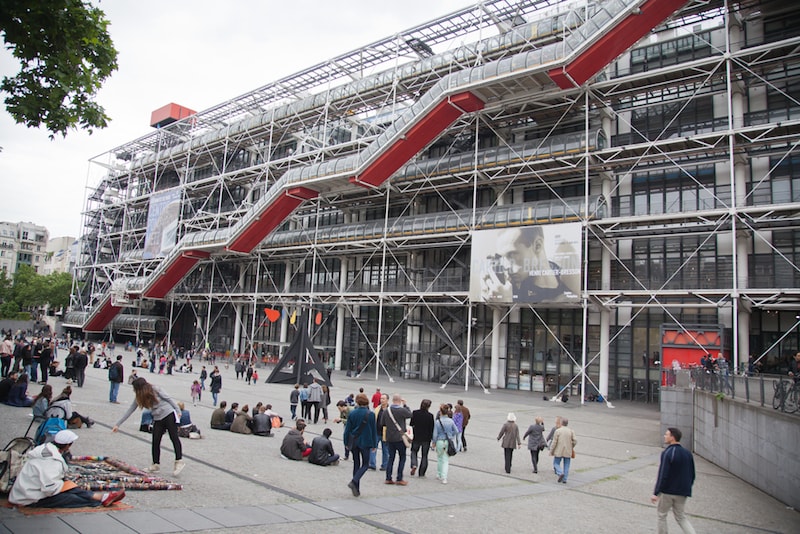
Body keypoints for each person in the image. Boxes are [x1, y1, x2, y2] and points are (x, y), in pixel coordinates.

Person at [9, 430, 125, 508]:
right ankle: (99, 499)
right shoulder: (52, 460)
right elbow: (50, 488)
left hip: (28, 490)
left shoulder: (45, 449)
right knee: (71, 498)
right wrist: (65, 486)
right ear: (68, 445)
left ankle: (101, 497)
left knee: (70, 487)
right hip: (29, 497)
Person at [479, 226, 578, 303]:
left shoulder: (568, 282)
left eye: (511, 254)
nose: (506, 266)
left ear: (537, 246)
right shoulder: (509, 289)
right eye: (502, 257)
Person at [113, 377, 185, 477]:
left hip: (168, 414)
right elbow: (130, 410)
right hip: (157, 417)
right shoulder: (139, 397)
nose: (134, 391)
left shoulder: (155, 389)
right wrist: (118, 424)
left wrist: (178, 411)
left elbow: (168, 398)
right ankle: (155, 464)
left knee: (174, 437)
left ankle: (179, 461)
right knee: (155, 440)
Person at [651, 427, 697, 534]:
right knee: (681, 517)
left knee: (662, 515)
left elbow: (663, 475)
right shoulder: (687, 454)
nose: (664, 436)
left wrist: (656, 493)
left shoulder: (668, 453)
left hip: (668, 491)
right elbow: (692, 474)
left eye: (667, 434)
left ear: (672, 437)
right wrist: (687, 487)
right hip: (683, 491)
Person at [343, 393, 378, 497]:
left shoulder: (352, 413)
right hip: (366, 442)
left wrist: (346, 442)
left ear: (357, 402)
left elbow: (347, 430)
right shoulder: (370, 414)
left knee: (356, 463)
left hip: (354, 442)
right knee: (365, 464)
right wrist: (374, 444)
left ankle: (356, 489)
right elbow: (373, 430)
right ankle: (354, 481)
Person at [378, 393, 412, 486]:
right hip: (400, 438)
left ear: (392, 400)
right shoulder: (402, 410)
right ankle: (399, 478)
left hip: (390, 437)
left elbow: (382, 423)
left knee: (391, 458)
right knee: (402, 457)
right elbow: (410, 415)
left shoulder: (386, 411)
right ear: (400, 401)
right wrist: (405, 405)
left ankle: (388, 478)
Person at [432, 403, 458, 484]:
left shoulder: (437, 422)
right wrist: (451, 435)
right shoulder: (451, 421)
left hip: (440, 441)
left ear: (441, 412)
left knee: (439, 458)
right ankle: (444, 477)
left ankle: (439, 474)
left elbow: (435, 434)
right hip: (447, 440)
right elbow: (456, 431)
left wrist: (434, 442)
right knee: (445, 460)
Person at [409, 399, 434, 477]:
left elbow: (411, 423)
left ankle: (414, 464)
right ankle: (422, 473)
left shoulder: (415, 413)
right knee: (424, 455)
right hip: (426, 438)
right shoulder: (430, 416)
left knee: (414, 451)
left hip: (416, 436)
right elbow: (431, 428)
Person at [550, 416, 576, 483]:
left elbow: (554, 442)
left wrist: (551, 450)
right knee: (567, 464)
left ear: (561, 423)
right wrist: (571, 446)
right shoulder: (571, 431)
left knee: (556, 463)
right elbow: (575, 441)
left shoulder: (558, 431)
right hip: (568, 451)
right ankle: (565, 479)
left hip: (559, 450)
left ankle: (560, 472)